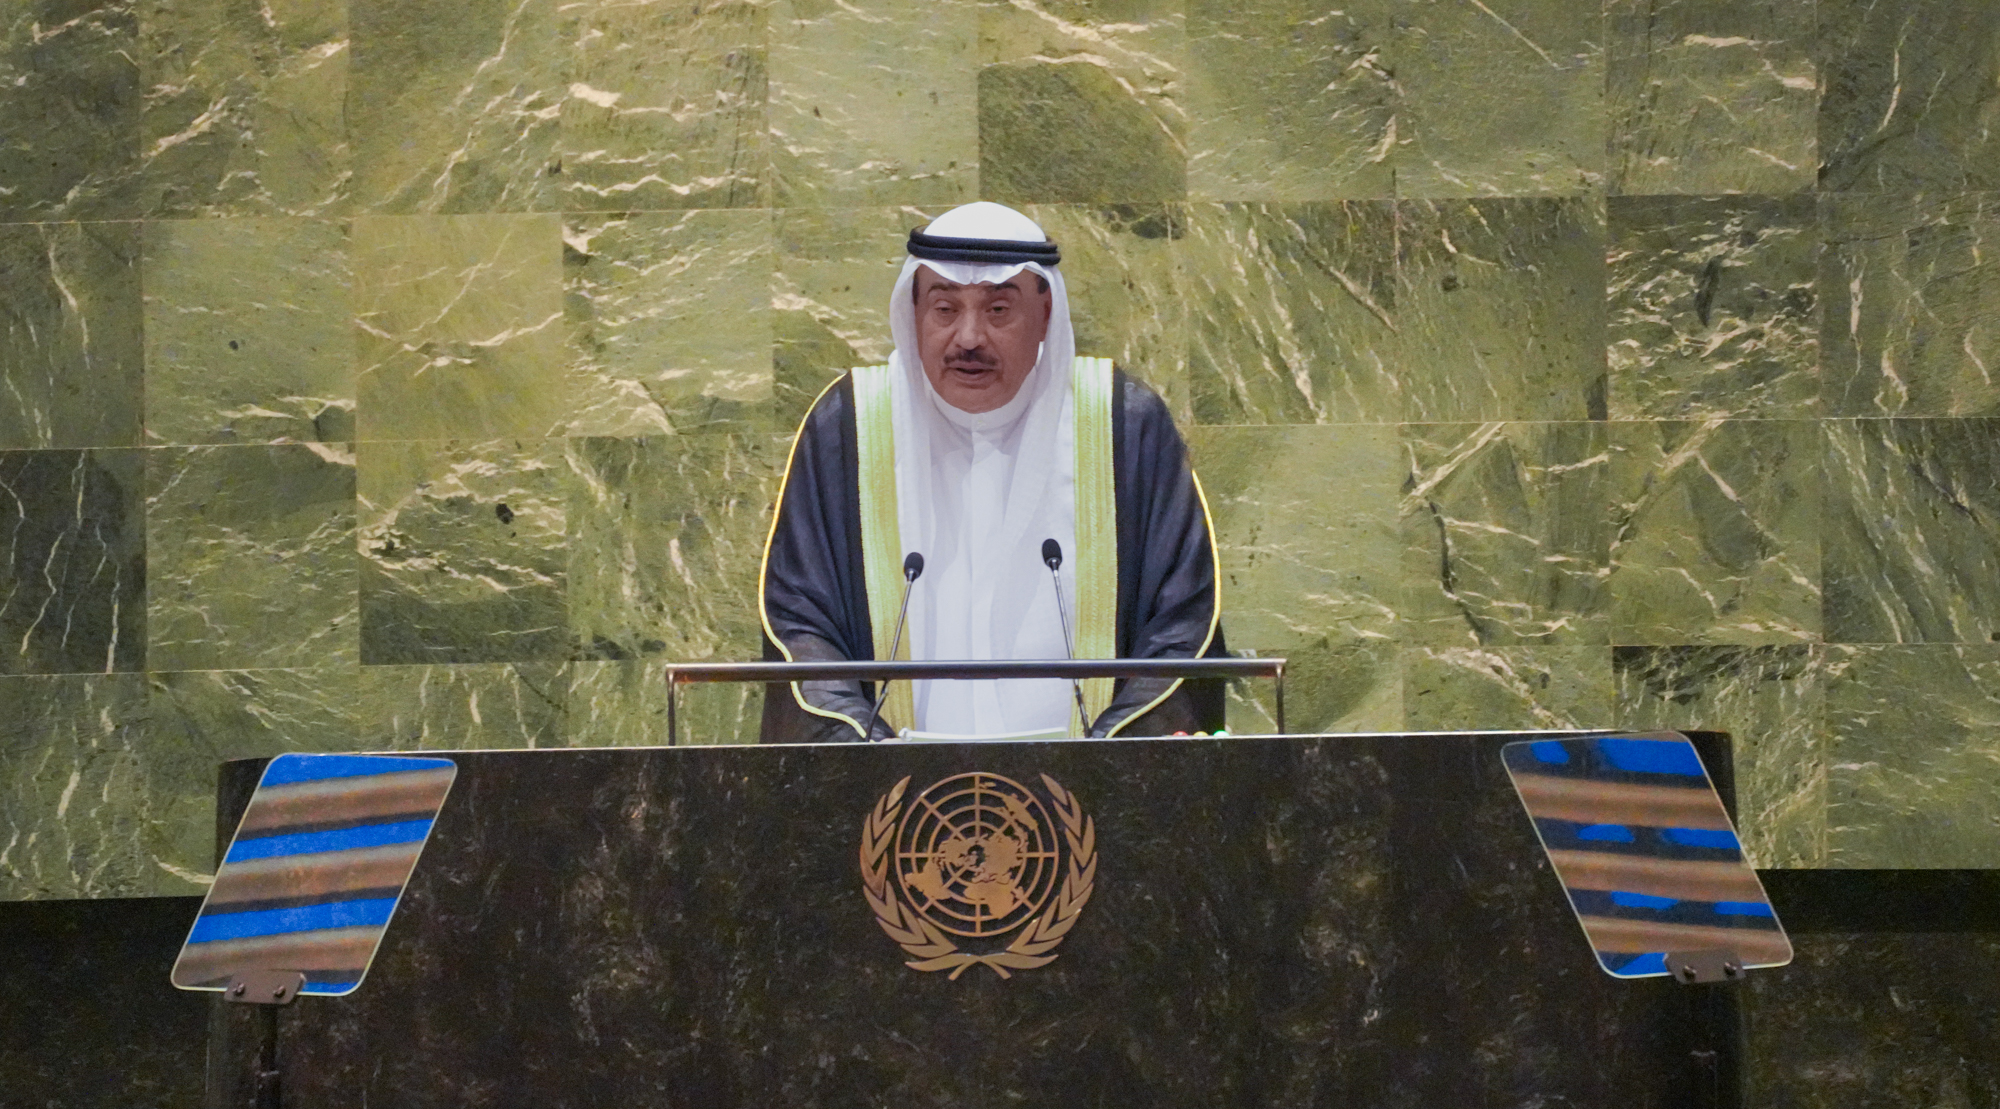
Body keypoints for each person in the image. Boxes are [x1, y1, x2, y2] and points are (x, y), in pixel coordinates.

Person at [758, 201, 1226, 742]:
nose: (969, 339)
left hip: (1093, 805)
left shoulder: (1124, 424)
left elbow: (1181, 625)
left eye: (999, 310)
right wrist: (866, 766)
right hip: (893, 814)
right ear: (913, 310)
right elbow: (800, 623)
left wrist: (1111, 769)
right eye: (944, 309)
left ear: (1046, 313)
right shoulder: (849, 427)